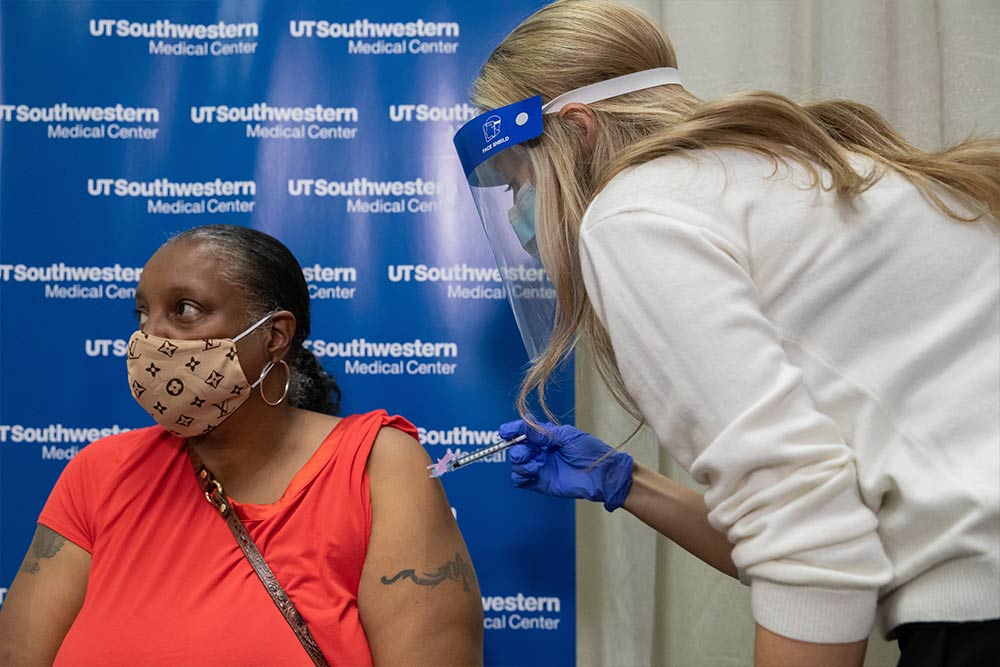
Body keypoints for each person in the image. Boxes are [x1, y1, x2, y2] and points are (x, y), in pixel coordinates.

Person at [453, 1, 1000, 665]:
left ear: (579, 130)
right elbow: (817, 530)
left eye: (517, 177)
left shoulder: (633, 214)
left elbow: (813, 544)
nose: (517, 211)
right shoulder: (778, 170)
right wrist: (627, 482)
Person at [0, 224, 484, 666]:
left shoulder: (377, 466)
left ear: (274, 336)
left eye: (184, 310)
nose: (151, 338)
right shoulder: (101, 472)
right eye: (143, 314)